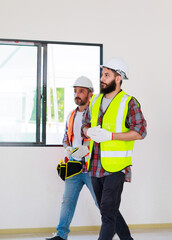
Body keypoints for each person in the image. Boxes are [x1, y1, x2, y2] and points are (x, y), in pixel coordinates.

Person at [82, 57, 147, 240]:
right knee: (108, 210)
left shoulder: (129, 102)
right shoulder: (94, 101)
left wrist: (110, 136)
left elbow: (140, 132)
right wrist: (89, 131)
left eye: (107, 75)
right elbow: (84, 125)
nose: (102, 78)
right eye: (102, 74)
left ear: (119, 78)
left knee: (107, 215)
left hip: (116, 168)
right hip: (94, 165)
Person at [46, 76, 98, 240]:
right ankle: (61, 235)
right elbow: (66, 137)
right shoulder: (71, 115)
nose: (77, 94)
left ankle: (112, 232)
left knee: (102, 203)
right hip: (74, 166)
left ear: (90, 94)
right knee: (67, 201)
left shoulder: (97, 115)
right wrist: (68, 147)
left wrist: (88, 149)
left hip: (91, 166)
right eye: (75, 91)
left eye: (81, 91)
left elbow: (102, 138)